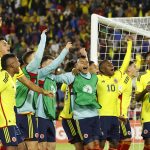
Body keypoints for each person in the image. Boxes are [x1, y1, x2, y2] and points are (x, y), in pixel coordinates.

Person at [16, 38, 72, 150]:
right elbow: (46, 63)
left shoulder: (46, 77)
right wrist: (43, 38)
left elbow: (58, 70)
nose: (38, 58)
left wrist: (75, 70)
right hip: (30, 114)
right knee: (33, 146)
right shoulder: (33, 73)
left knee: (27, 146)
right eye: (35, 57)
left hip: (42, 115)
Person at [40, 55, 102, 150]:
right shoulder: (70, 79)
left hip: (81, 116)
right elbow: (64, 87)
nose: (95, 69)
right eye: (94, 67)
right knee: (82, 146)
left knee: (90, 145)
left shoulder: (90, 79)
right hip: (69, 117)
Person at [97, 36, 133, 149]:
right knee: (101, 144)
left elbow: (126, 62)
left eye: (111, 64)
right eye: (108, 65)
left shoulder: (117, 75)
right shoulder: (97, 79)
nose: (112, 65)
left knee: (115, 144)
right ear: (102, 70)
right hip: (102, 116)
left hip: (115, 117)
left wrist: (130, 44)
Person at [0, 54, 23, 150]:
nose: (19, 63)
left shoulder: (10, 77)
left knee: (21, 145)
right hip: (5, 120)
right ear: (11, 64)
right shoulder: (4, 76)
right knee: (12, 146)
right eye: (17, 61)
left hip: (11, 119)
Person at [60, 60, 83, 150]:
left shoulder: (66, 81)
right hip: (69, 118)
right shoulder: (72, 79)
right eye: (78, 65)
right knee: (79, 146)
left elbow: (62, 88)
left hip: (77, 117)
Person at [117, 61, 139, 150]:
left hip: (122, 114)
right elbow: (116, 93)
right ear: (128, 69)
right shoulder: (125, 79)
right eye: (134, 66)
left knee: (120, 140)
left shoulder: (128, 80)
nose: (137, 68)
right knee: (127, 139)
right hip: (120, 115)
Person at [136, 51, 150, 150]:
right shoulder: (142, 77)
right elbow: (137, 98)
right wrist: (145, 90)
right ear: (146, 61)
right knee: (148, 143)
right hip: (148, 115)